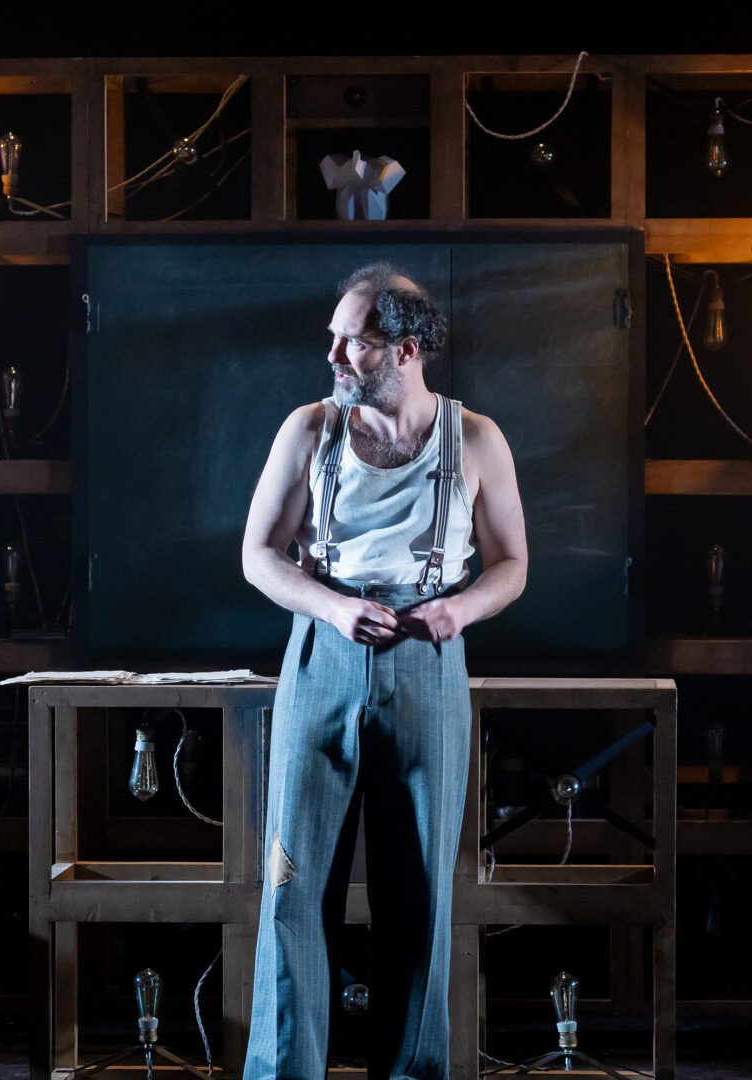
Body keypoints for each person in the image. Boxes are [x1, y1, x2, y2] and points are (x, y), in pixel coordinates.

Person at [240, 263, 528, 1078]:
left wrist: (460, 610)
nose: (332, 354)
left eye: (352, 342)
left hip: (428, 661)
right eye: (333, 338)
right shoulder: (310, 430)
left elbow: (513, 563)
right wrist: (332, 609)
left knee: (420, 890)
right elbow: (258, 554)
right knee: (293, 884)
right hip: (322, 655)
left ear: (405, 349)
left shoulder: (477, 439)